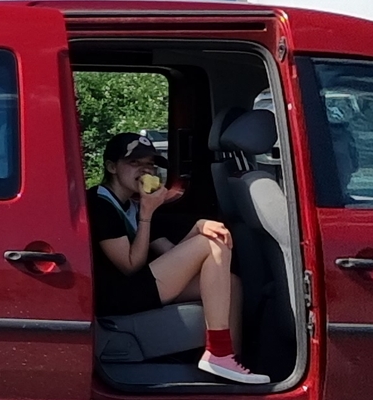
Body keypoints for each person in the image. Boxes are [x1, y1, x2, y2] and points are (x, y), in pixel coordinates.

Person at [89, 133, 267, 386]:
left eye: (150, 164)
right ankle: (217, 353)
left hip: (140, 284)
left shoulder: (133, 204)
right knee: (210, 243)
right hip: (118, 294)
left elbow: (170, 254)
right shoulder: (100, 204)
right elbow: (129, 266)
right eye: (135, 163)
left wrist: (198, 227)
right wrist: (147, 214)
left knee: (231, 282)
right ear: (111, 167)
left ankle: (228, 365)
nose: (145, 170)